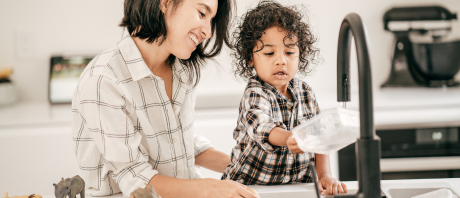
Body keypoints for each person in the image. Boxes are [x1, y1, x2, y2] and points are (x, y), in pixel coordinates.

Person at [71, 0, 259, 197]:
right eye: (202, 14)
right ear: (166, 2)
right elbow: (135, 178)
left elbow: (177, 144)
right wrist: (211, 188)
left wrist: (245, 167)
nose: (208, 32)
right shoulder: (103, 80)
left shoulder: (183, 70)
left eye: (211, 20)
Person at [221, 0, 348, 196]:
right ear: (250, 58)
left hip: (295, 187)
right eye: (269, 53)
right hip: (248, 189)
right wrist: (290, 137)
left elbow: (320, 137)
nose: (281, 60)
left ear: (300, 55)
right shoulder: (255, 92)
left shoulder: (305, 92)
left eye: (289, 52)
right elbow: (262, 127)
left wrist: (324, 175)